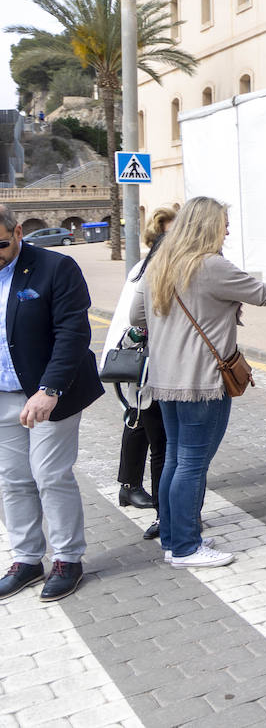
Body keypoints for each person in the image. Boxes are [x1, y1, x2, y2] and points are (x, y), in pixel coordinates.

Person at [132, 197, 266, 568]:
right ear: (206, 226)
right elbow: (263, 293)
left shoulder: (159, 263)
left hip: (164, 380)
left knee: (175, 459)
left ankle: (174, 540)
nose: (227, 230)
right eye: (223, 223)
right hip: (203, 380)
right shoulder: (210, 266)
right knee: (192, 463)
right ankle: (187, 547)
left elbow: (136, 313)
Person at [0, 205, 103, 603]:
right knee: (13, 480)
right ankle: (27, 561)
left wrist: (50, 389)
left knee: (49, 474)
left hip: (49, 393)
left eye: (1, 243)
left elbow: (72, 333)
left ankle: (67, 559)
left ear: (19, 231)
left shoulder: (56, 268)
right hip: (3, 395)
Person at [104, 205, 177, 540]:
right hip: (146, 367)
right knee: (148, 432)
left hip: (145, 369)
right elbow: (133, 319)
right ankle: (134, 488)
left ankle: (146, 497)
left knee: (148, 432)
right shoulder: (147, 271)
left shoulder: (145, 268)